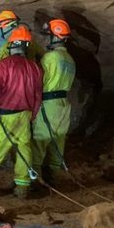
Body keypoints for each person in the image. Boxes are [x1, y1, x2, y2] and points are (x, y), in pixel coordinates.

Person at [0, 26, 43, 199]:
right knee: (23, 151)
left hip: (5, 115)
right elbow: (37, 95)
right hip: (24, 115)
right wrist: (32, 115)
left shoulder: (5, 65)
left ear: (12, 45)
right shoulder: (35, 68)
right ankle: (22, 188)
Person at [31, 19, 76, 183]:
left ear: (55, 37)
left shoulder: (50, 57)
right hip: (63, 105)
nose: (46, 39)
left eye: (48, 36)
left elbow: (39, 81)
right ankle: (54, 178)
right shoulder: (70, 59)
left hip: (48, 104)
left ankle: (34, 180)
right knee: (58, 141)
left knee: (39, 140)